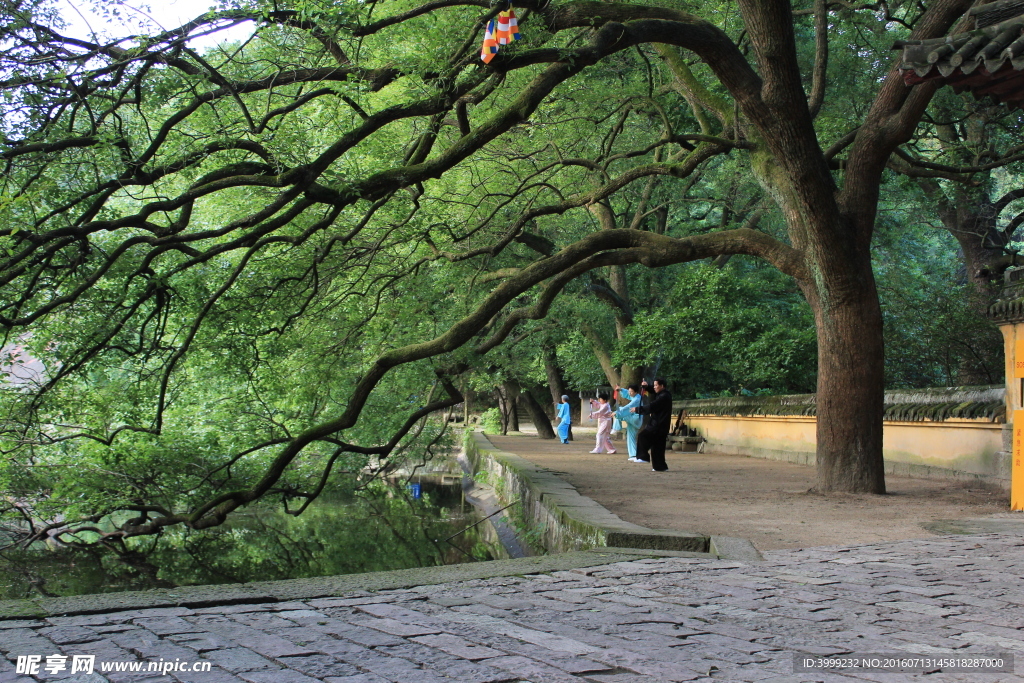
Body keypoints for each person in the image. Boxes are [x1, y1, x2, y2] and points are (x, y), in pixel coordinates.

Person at [631, 378, 672, 472]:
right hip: (662, 425)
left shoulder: (664, 396)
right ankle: (660, 466)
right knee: (657, 446)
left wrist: (638, 409)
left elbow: (652, 406)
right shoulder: (663, 394)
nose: (654, 387)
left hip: (657, 424)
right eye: (654, 385)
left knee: (643, 436)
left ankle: (643, 456)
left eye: (656, 385)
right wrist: (647, 387)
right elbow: (653, 391)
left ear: (662, 386)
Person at [613, 384, 643, 462]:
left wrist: (616, 412)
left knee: (619, 412)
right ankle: (633, 455)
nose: (630, 393)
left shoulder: (637, 399)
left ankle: (616, 428)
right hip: (633, 418)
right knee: (631, 437)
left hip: (635, 418)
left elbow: (628, 406)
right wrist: (621, 390)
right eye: (629, 391)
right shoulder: (634, 396)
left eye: (631, 392)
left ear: (636, 392)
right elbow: (626, 393)